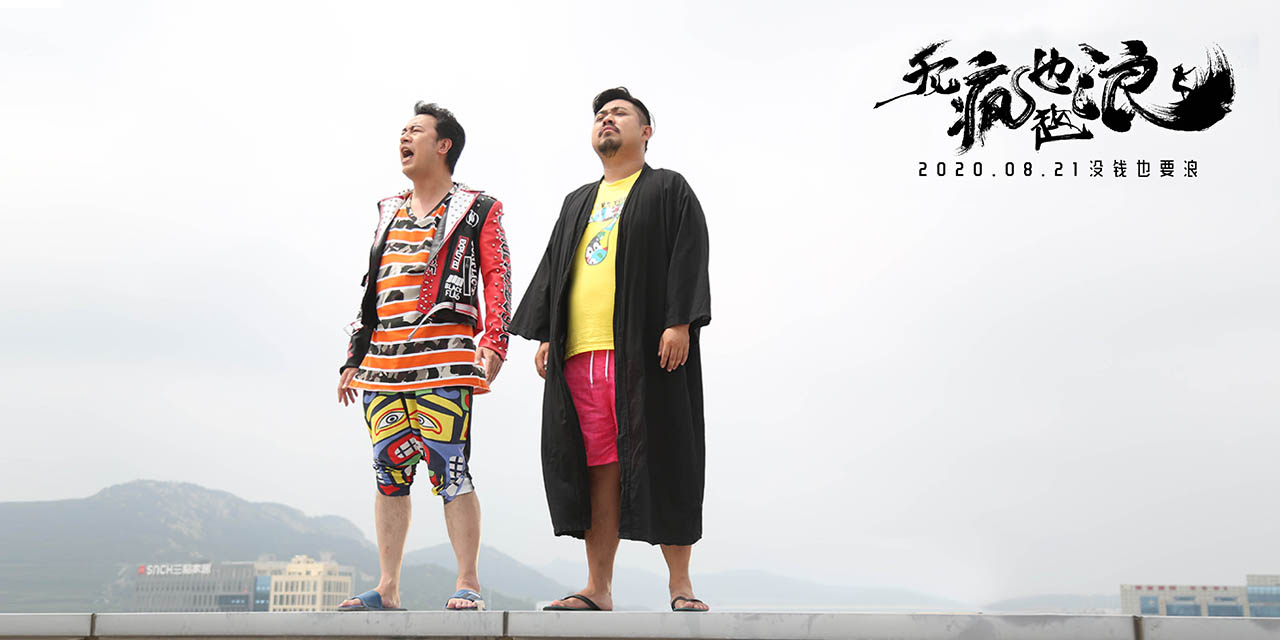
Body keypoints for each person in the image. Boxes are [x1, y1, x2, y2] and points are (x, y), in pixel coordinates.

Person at [510, 87, 711, 612]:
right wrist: (549, 334)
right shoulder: (577, 201)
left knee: (667, 455)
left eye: (619, 113)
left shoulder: (668, 188)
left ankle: (681, 586)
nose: (607, 119)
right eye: (600, 114)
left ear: (645, 132)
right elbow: (556, 268)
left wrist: (680, 322)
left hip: (647, 353)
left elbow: (689, 252)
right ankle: (597, 588)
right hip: (581, 357)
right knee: (597, 466)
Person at [336, 102, 512, 612]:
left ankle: (467, 582)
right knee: (387, 473)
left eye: (415, 130)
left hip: (445, 359)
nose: (404, 138)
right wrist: (353, 357)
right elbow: (372, 286)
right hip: (383, 365)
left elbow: (498, 274)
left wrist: (495, 341)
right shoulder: (387, 209)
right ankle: (387, 586)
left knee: (450, 469)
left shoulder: (476, 207)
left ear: (444, 145)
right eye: (402, 131)